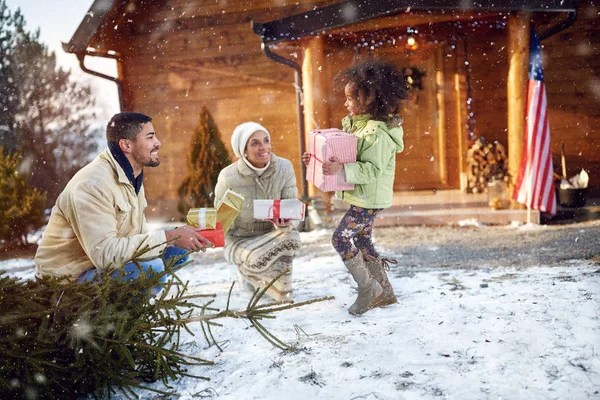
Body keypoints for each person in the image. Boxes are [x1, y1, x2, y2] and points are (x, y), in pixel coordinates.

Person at [35, 112, 212, 291]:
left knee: (178, 251)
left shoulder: (131, 177)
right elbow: (105, 254)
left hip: (99, 267)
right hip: (67, 280)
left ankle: (128, 311)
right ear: (126, 145)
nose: (158, 143)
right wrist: (167, 238)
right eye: (150, 137)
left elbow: (136, 237)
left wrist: (177, 236)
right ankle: (114, 316)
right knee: (152, 270)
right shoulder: (93, 185)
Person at [302, 59, 408, 315]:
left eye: (351, 99)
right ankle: (385, 292)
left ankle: (368, 288)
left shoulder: (377, 135)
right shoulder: (360, 127)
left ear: (368, 102)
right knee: (362, 239)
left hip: (370, 198)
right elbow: (347, 155)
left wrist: (343, 170)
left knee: (340, 239)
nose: (346, 103)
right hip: (364, 196)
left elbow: (371, 170)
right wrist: (318, 159)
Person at [214, 122, 301, 302]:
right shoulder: (229, 177)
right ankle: (247, 273)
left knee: (292, 238)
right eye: (255, 143)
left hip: (272, 236)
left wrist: (286, 222)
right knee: (256, 257)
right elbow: (221, 222)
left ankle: (276, 284)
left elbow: (292, 207)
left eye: (266, 140)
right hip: (240, 239)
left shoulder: (284, 168)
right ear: (243, 150)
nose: (264, 147)